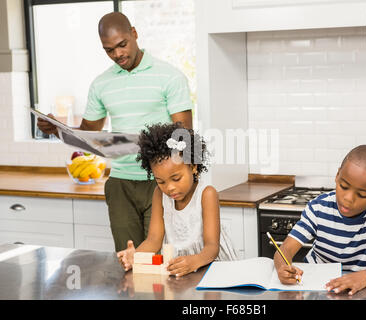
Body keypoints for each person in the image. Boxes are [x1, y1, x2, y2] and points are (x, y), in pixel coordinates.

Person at [36, 12, 193, 252]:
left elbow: (185, 135)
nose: (118, 54)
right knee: (128, 260)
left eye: (122, 45)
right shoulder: (101, 84)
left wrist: (190, 184)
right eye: (109, 50)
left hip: (160, 182)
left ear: (134, 33)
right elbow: (90, 133)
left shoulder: (170, 77)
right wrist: (57, 129)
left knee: (162, 262)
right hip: (120, 184)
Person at [274, 145, 366, 296]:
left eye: (361, 195)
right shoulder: (318, 207)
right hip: (317, 287)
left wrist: (364, 277)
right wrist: (283, 267)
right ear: (337, 176)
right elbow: (285, 250)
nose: (348, 199)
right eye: (343, 186)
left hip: (361, 288)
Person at [117, 122, 238, 277]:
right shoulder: (159, 195)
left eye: (176, 178)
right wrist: (136, 256)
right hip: (181, 269)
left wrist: (194, 261)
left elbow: (212, 247)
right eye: (161, 181)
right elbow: (154, 239)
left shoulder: (207, 194)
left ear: (193, 166)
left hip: (212, 268)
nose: (169, 188)